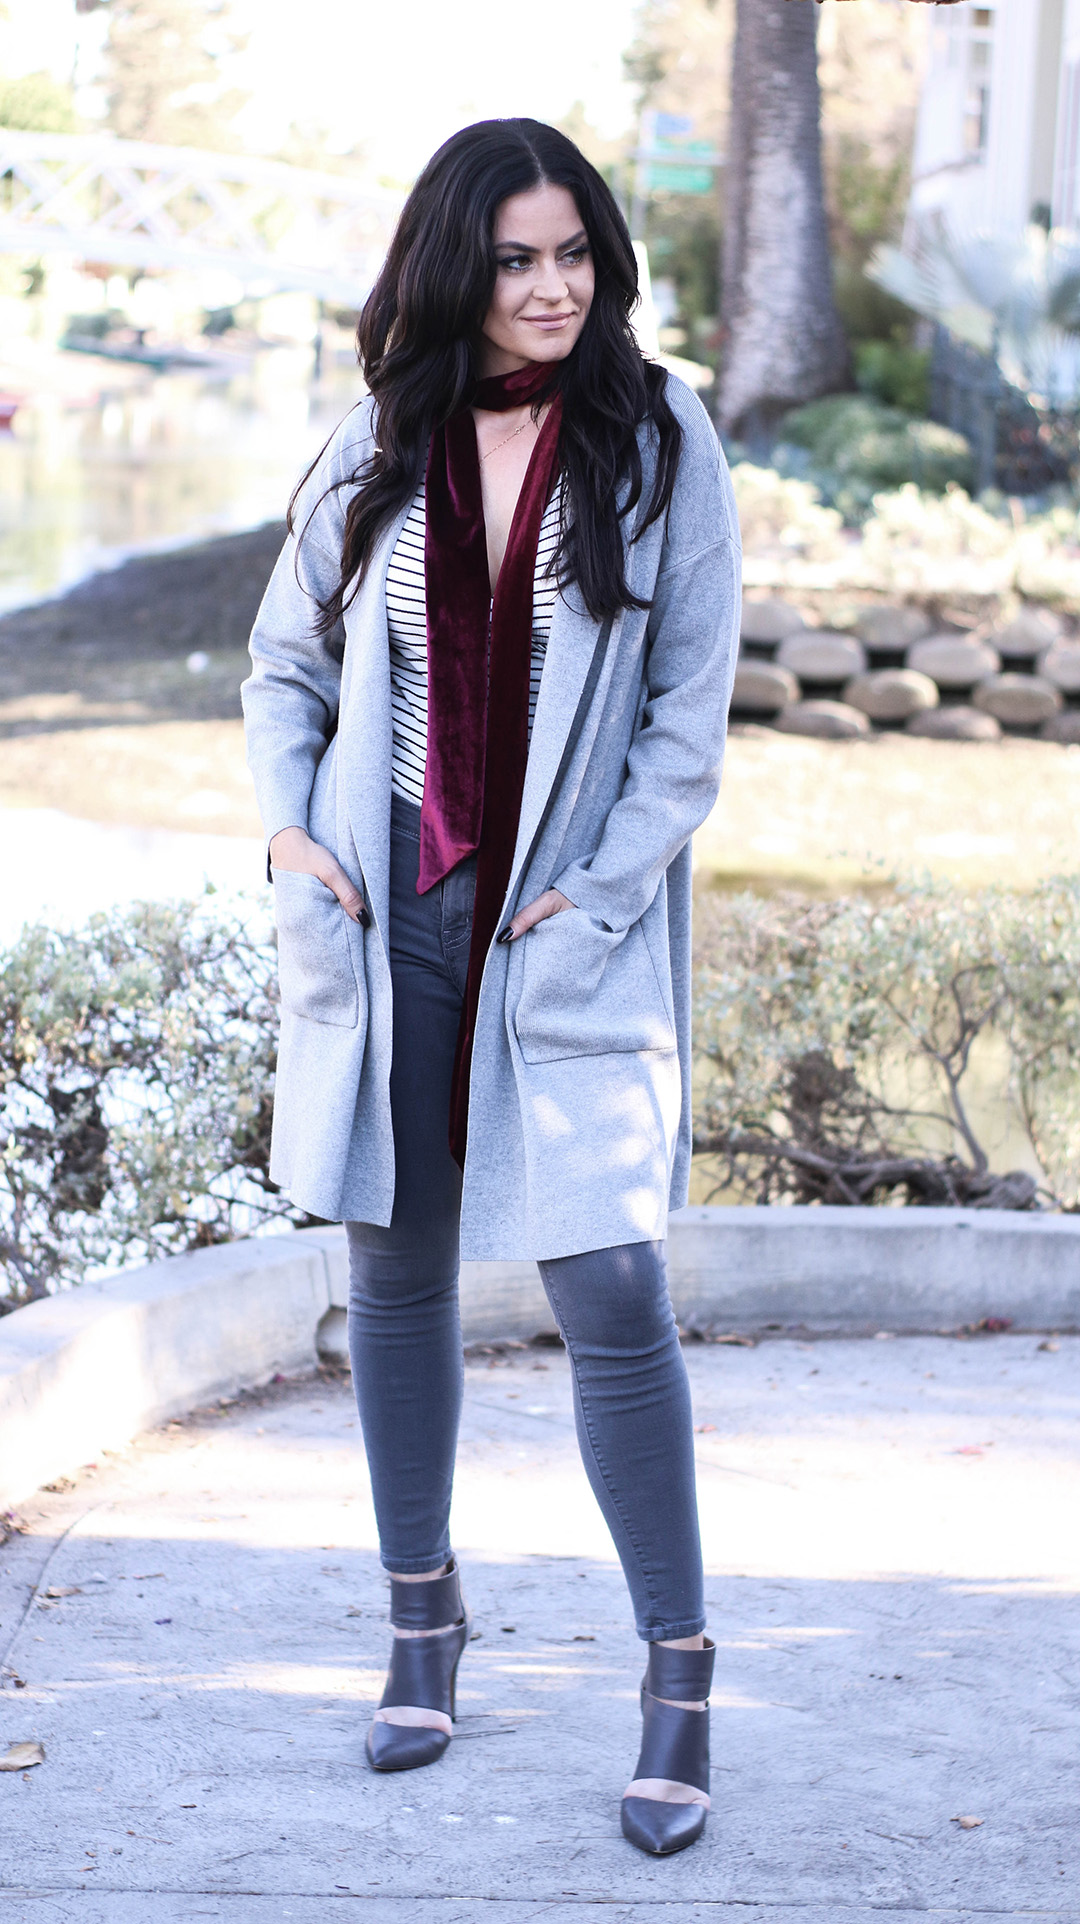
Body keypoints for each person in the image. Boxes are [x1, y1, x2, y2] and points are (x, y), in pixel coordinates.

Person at [242, 117, 740, 1857]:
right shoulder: (376, 435)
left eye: (574, 255)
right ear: (459, 264)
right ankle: (420, 1619)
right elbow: (283, 662)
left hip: (563, 923)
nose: (549, 288)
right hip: (394, 909)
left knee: (611, 1285)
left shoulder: (663, 438)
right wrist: (296, 838)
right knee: (397, 1271)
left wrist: (601, 894)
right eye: (516, 257)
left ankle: (677, 1673)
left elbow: (687, 726)